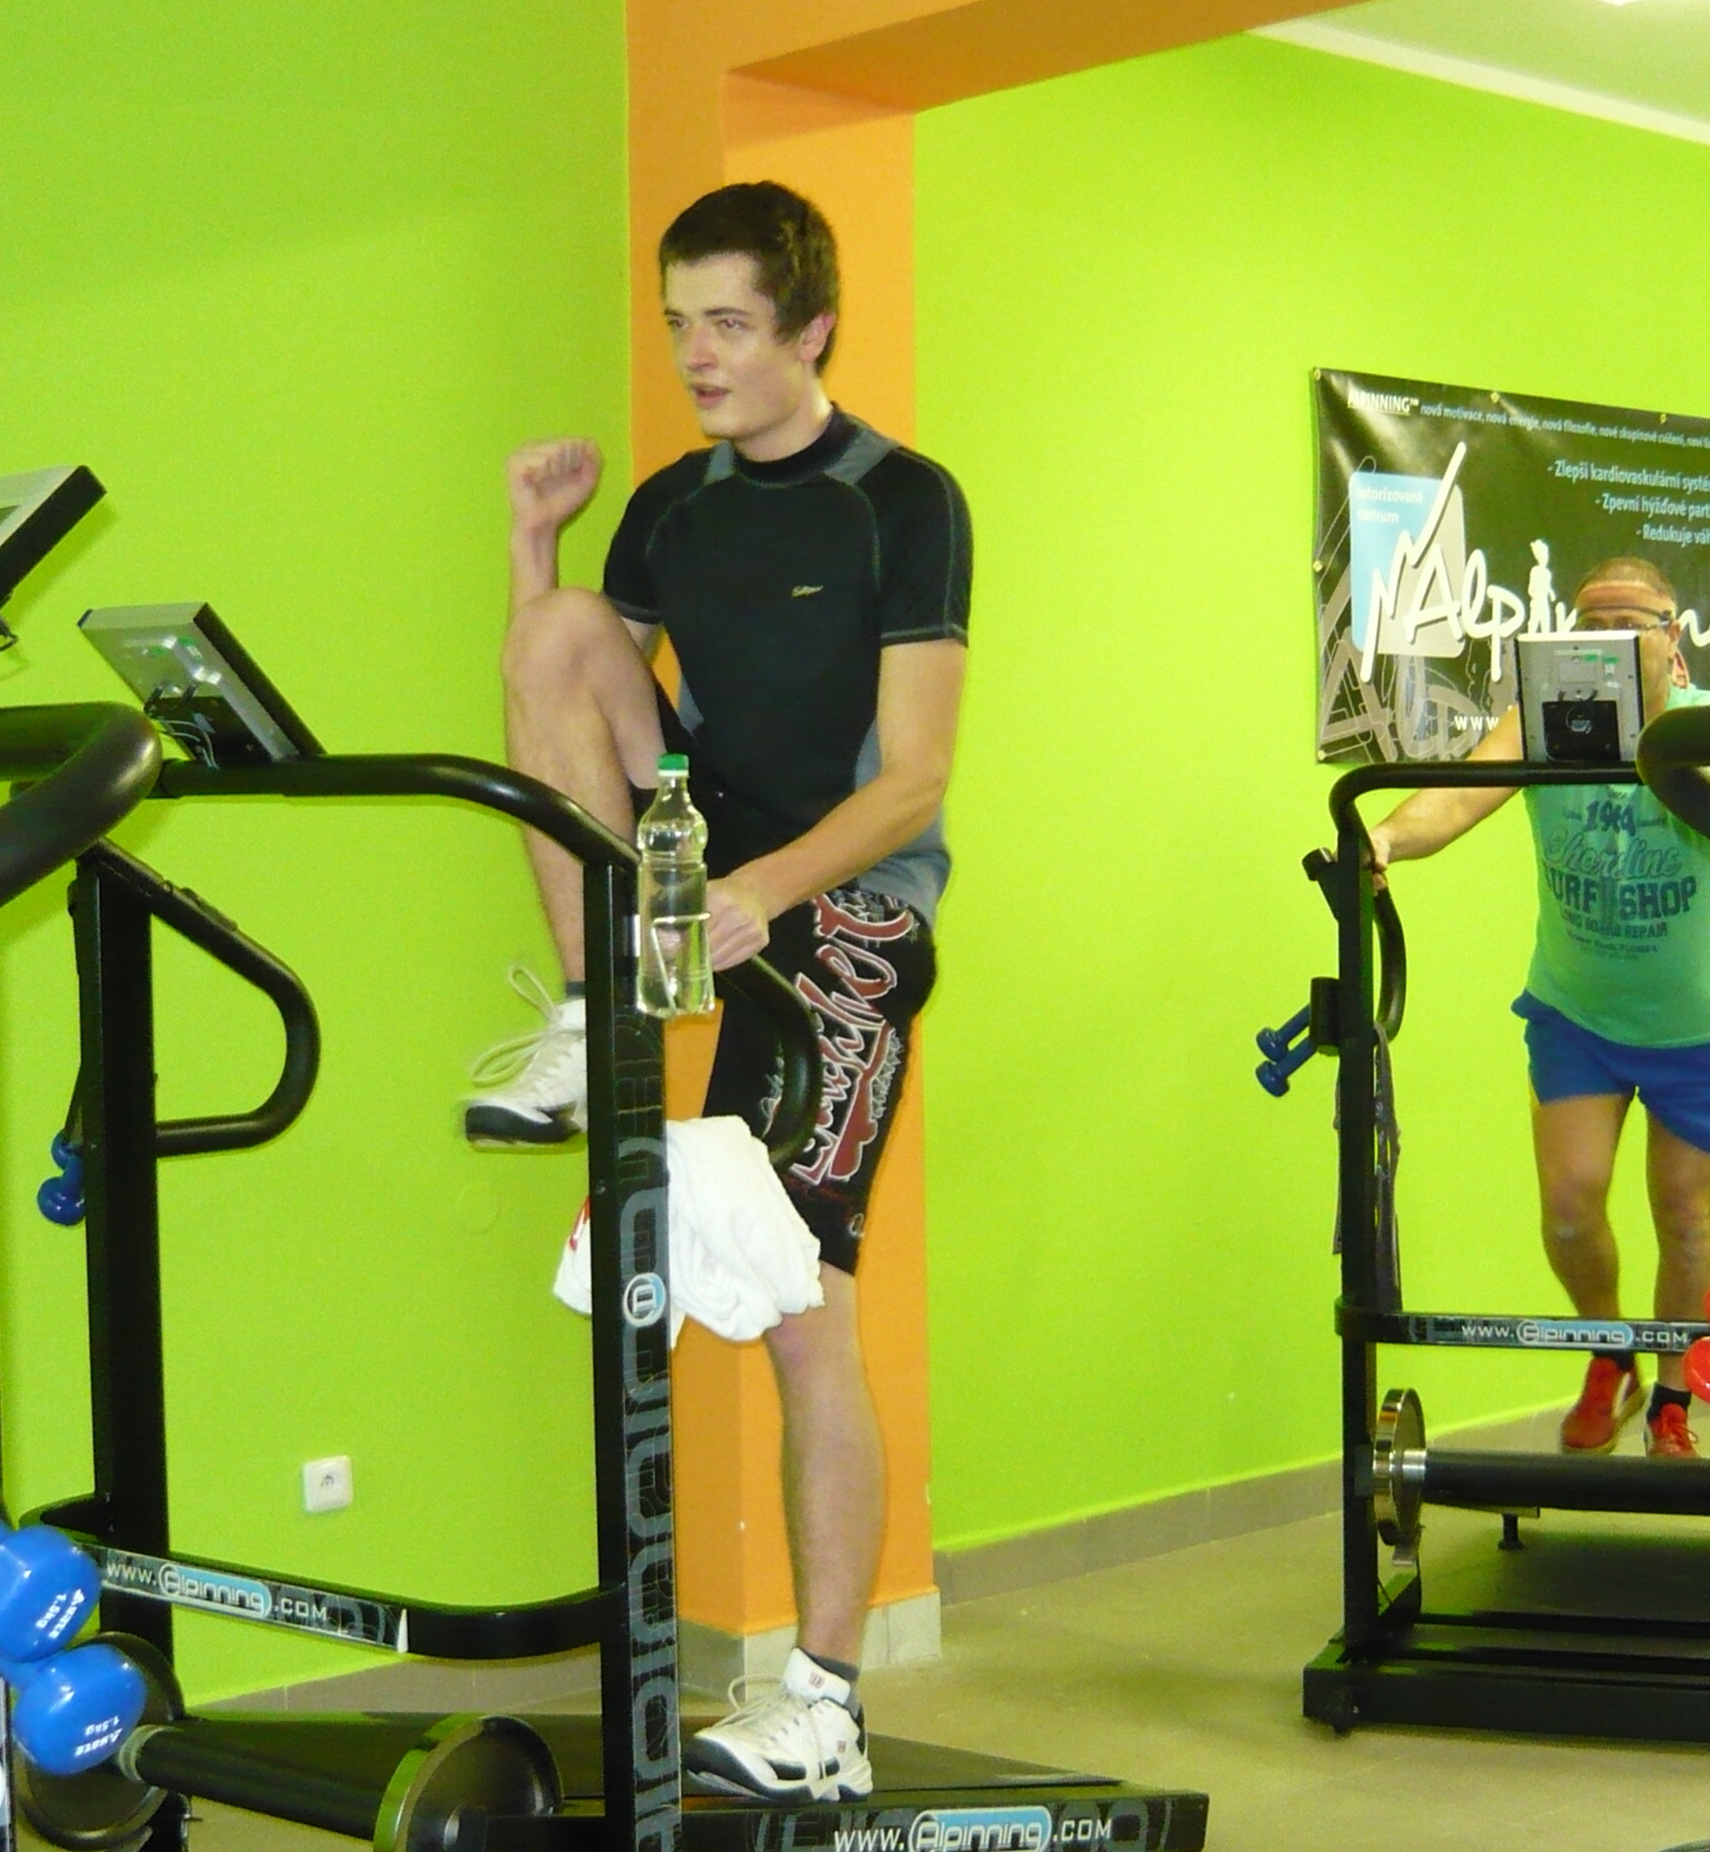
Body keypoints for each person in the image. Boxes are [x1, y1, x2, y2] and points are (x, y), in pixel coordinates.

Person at [463, 182, 970, 1803]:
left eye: (730, 325)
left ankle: (822, 1704)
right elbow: (562, 708)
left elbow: (914, 779)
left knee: (806, 1310)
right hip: (703, 872)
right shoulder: (672, 505)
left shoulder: (901, 501)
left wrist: (765, 891)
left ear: (811, 328)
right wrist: (532, 547)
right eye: (680, 322)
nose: (696, 355)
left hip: (847, 915)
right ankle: (588, 1008)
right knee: (554, 628)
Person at [1365, 559, 1710, 1461]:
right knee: (1571, 1210)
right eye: (1591, 628)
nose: (1610, 644)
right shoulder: (1543, 724)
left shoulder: (1707, 727)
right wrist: (1385, 835)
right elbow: (1456, 796)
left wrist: (1680, 745)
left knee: (1686, 1219)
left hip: (1700, 1026)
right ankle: (1611, 1355)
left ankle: (1671, 1403)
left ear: (1673, 639)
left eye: (1632, 627)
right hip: (1579, 1013)